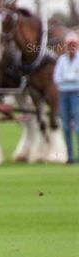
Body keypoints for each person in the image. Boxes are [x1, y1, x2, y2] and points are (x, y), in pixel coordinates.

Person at [53, 33, 79, 163]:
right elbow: (57, 78)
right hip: (64, 94)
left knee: (78, 126)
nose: (71, 47)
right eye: (69, 45)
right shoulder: (62, 60)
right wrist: (72, 77)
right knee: (66, 126)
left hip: (76, 93)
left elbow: (65, 78)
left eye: (73, 45)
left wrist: (67, 78)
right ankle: (70, 156)